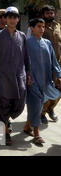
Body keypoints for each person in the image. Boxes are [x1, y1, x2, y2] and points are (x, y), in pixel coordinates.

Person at [0, 6, 32, 146]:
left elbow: (26, 57)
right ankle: (3, 134)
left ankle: (7, 121)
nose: (12, 19)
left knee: (19, 105)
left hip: (19, 76)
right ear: (5, 19)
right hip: (2, 77)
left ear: (18, 19)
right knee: (3, 106)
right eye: (10, 17)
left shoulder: (22, 36)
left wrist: (28, 74)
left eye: (15, 17)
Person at [24, 18, 61, 146]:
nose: (41, 29)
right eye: (38, 26)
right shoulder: (26, 43)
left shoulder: (47, 43)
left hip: (45, 80)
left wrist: (58, 75)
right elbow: (23, 63)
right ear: (32, 28)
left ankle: (27, 127)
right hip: (31, 80)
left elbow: (54, 61)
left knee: (38, 104)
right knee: (36, 105)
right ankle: (37, 134)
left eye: (43, 26)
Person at [40, 5, 61, 124]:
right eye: (48, 13)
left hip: (58, 63)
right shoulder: (39, 26)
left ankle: (51, 109)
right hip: (45, 64)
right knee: (47, 90)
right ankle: (42, 113)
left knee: (59, 89)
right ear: (43, 14)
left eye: (52, 13)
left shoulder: (58, 26)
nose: (50, 15)